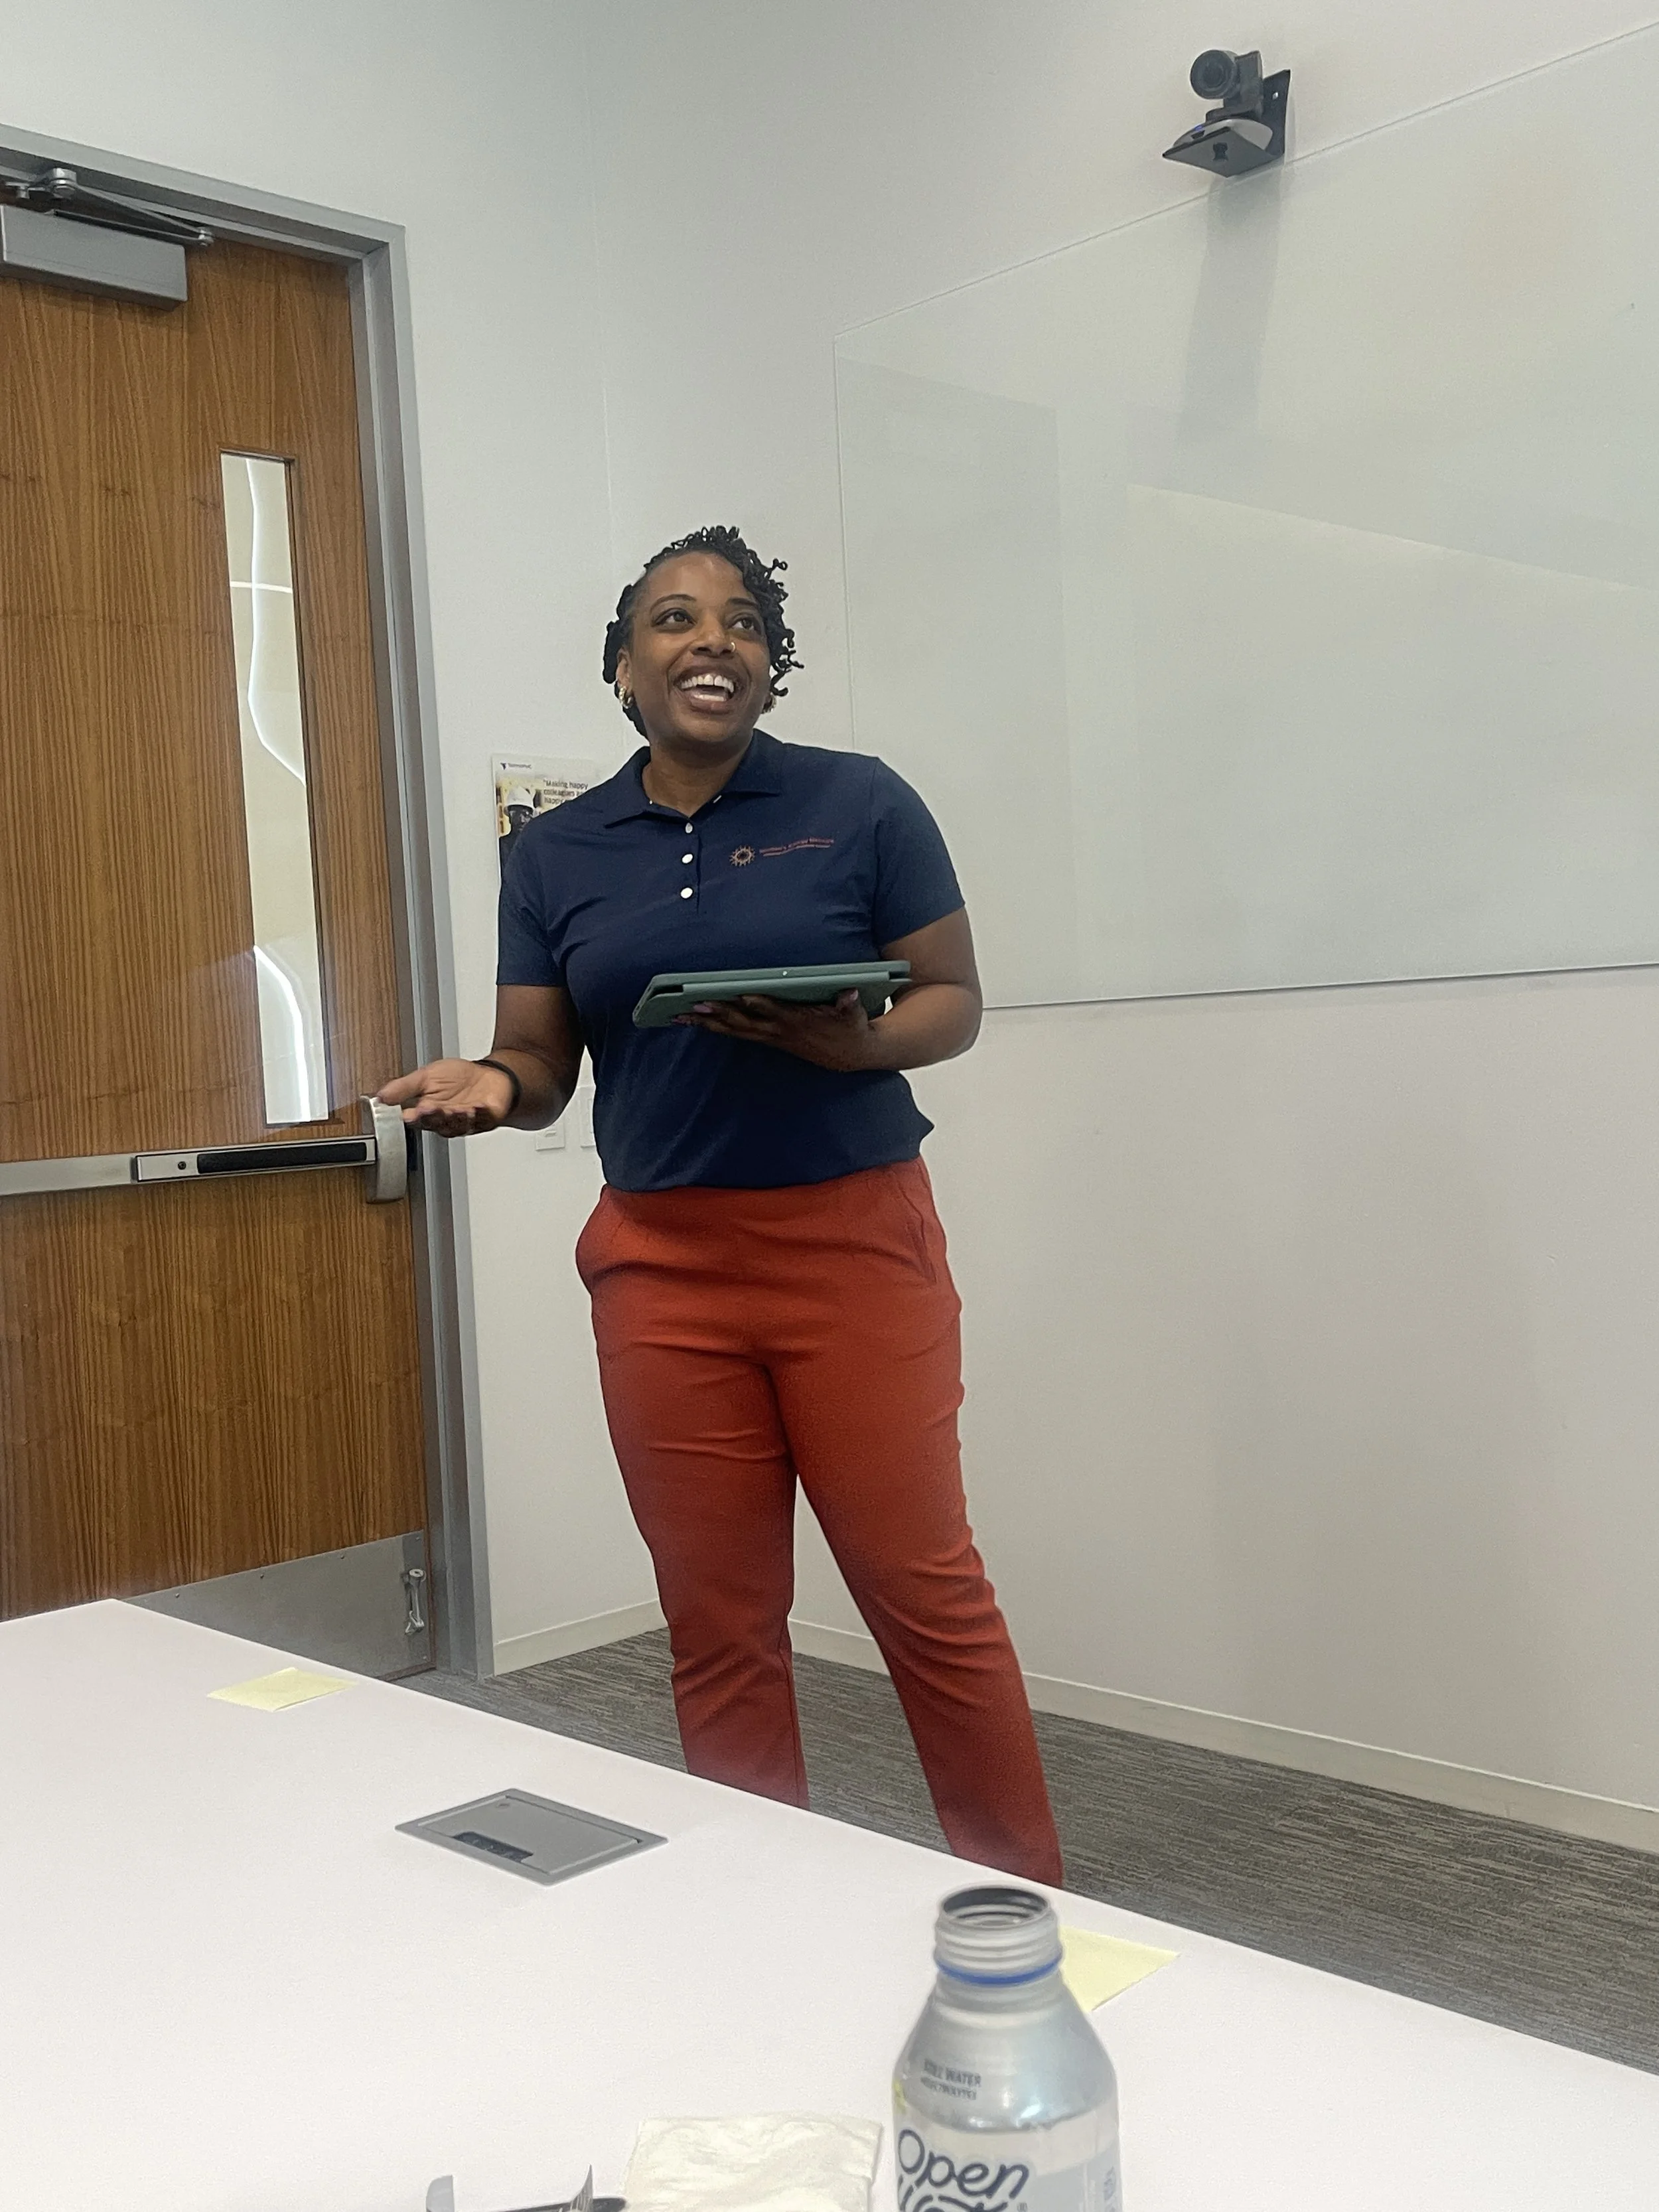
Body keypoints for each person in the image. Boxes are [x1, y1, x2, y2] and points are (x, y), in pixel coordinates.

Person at [382, 525, 1061, 1883]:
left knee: (922, 1596)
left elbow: (952, 1002)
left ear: (768, 663)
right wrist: (486, 1084)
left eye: (742, 623)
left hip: (853, 1247)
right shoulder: (557, 851)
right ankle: (757, 1905)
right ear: (624, 667)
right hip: (661, 1268)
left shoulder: (861, 803)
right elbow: (542, 1066)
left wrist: (853, 1044)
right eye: (675, 620)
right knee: (718, 1615)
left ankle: (1023, 1902)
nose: (713, 640)